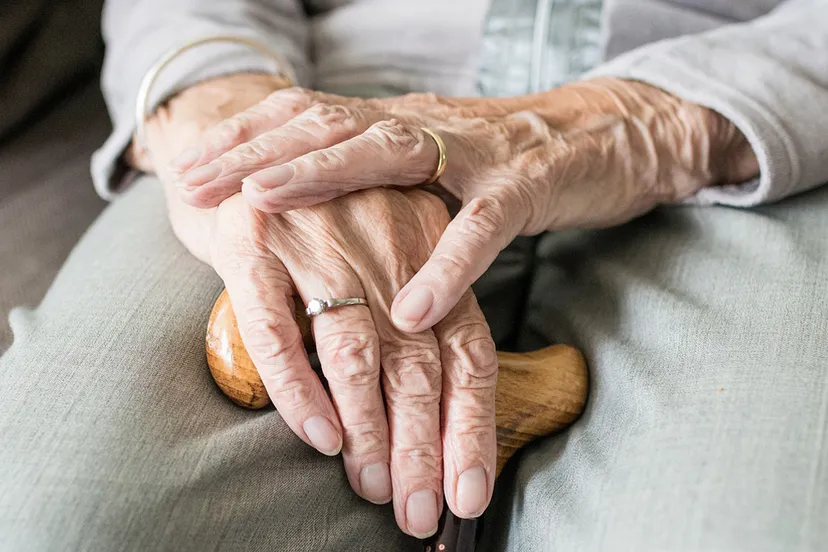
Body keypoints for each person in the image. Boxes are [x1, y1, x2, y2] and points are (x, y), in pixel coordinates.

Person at [1, 0, 826, 550]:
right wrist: (232, 125)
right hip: (322, 102)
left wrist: (653, 124)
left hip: (733, 126)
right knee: (55, 518)